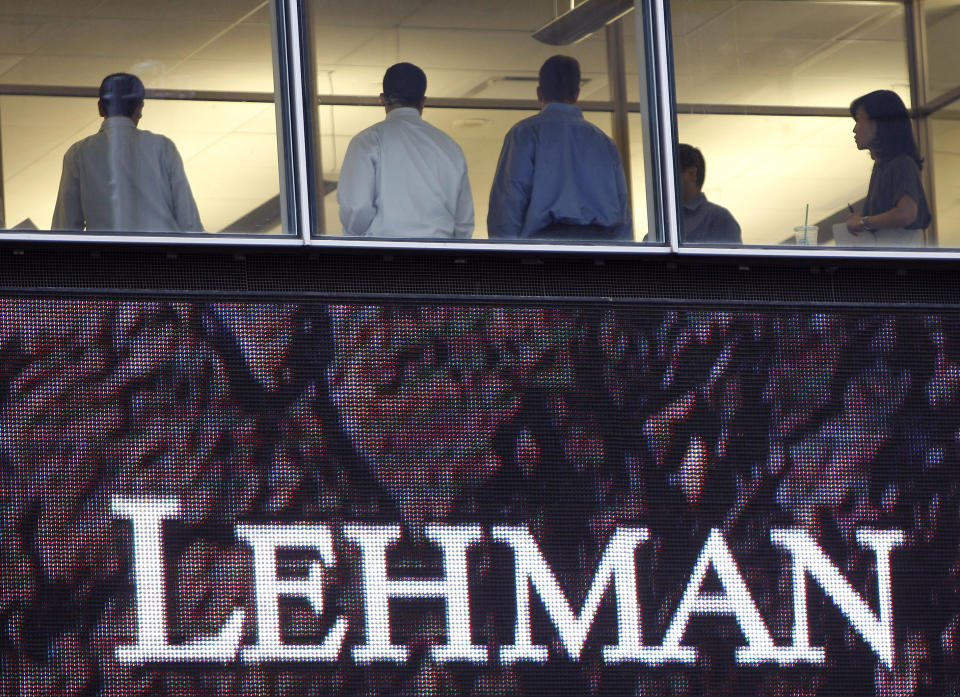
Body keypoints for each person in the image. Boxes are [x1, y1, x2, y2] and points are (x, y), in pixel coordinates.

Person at [487, 55, 631, 241]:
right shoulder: (604, 143)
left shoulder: (525, 133)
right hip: (598, 249)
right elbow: (622, 209)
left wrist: (504, 253)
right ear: (577, 94)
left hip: (546, 249)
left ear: (539, 93)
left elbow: (509, 199)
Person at [52, 73, 203, 232]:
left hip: (105, 253)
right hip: (161, 252)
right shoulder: (163, 147)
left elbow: (65, 227)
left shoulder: (78, 153)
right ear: (140, 108)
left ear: (100, 108)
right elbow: (189, 221)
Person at [337, 62, 473, 238]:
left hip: (383, 256)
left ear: (382, 99)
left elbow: (356, 208)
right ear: (423, 101)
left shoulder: (368, 141)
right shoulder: (450, 147)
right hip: (439, 258)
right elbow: (464, 223)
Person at [845, 90, 931, 245]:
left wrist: (864, 222)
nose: (855, 129)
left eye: (859, 120)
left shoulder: (902, 164)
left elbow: (906, 214)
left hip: (899, 263)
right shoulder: (882, 166)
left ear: (880, 122)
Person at [677, 143, 741, 243]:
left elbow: (732, 258)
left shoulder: (718, 218)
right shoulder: (662, 224)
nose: (661, 181)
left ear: (692, 174)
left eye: (668, 173)